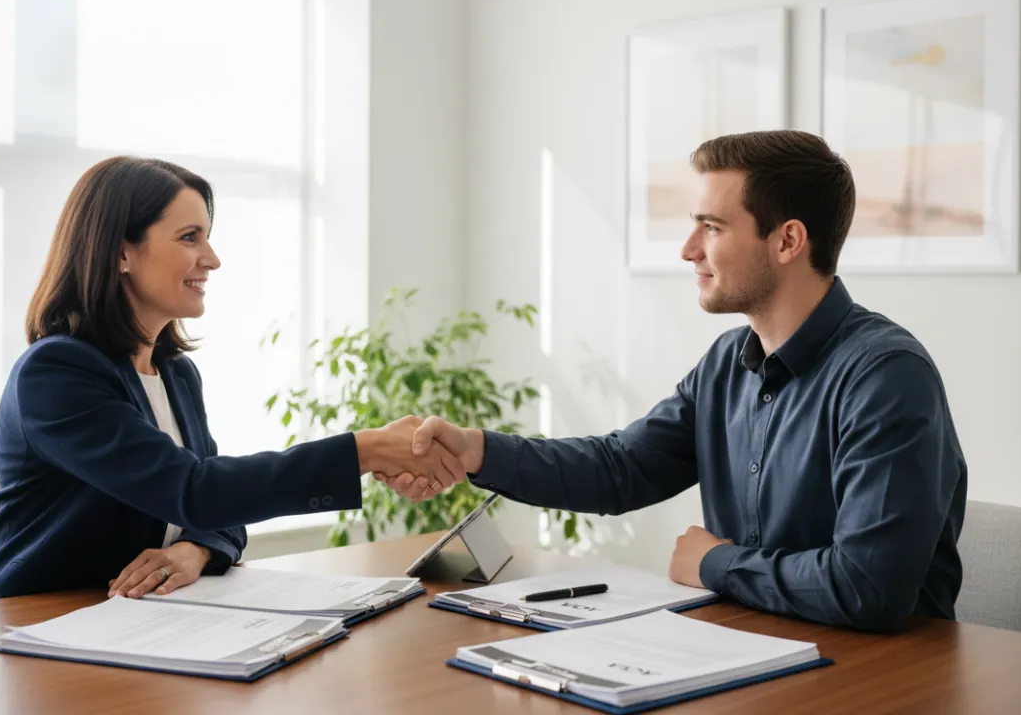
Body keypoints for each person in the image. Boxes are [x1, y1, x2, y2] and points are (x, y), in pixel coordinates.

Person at [382, 130, 967, 633]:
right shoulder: (726, 363)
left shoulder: (886, 377)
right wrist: (477, 449)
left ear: (787, 240)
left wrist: (717, 563)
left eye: (711, 228)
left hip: (885, 683)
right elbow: (621, 469)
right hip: (753, 649)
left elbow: (869, 588)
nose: (689, 250)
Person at [0, 156, 461, 602]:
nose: (212, 258)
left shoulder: (176, 374)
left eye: (207, 236)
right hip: (38, 621)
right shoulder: (56, 374)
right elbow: (196, 490)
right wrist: (364, 449)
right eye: (189, 237)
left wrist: (195, 552)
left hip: (142, 617)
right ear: (121, 253)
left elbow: (223, 509)